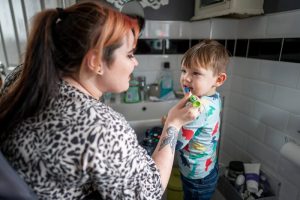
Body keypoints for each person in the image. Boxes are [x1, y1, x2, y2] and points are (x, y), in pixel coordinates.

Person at [0, 1, 199, 199]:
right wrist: (173, 123)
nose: (135, 62)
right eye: (130, 55)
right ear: (95, 61)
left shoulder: (22, 78)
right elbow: (150, 192)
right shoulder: (101, 127)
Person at [175, 39, 229, 200]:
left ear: (218, 80)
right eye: (184, 71)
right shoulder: (213, 98)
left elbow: (177, 142)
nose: (186, 78)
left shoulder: (199, 108)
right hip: (207, 169)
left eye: (195, 73)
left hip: (196, 177)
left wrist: (168, 124)